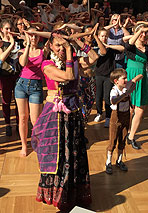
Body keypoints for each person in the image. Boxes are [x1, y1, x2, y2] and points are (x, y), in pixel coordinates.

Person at [31, 29, 98, 211]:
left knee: (74, 152)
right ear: (51, 46)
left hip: (73, 113)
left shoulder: (74, 60)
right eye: (58, 45)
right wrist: (69, 50)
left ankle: (73, 191)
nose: (61, 48)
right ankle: (56, 192)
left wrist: (78, 42)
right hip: (54, 115)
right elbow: (68, 76)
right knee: (55, 154)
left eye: (63, 45)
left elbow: (94, 58)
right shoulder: (47, 64)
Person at [15, 27, 48, 157]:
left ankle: (37, 143)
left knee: (35, 120)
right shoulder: (21, 51)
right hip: (21, 85)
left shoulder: (43, 51)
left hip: (36, 86)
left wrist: (37, 32)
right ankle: (24, 145)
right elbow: (23, 63)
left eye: (35, 36)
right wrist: (28, 43)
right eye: (31, 36)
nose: (33, 38)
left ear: (39, 37)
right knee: (23, 118)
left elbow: (51, 35)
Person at [105, 68, 143, 174]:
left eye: (126, 78)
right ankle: (108, 162)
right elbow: (113, 101)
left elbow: (140, 76)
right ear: (116, 81)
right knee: (112, 141)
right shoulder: (114, 90)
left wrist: (134, 81)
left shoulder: (127, 86)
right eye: (124, 78)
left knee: (122, 140)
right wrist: (127, 93)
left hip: (126, 117)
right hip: (115, 118)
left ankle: (119, 160)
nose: (126, 80)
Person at [124, 23, 148, 149]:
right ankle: (126, 132)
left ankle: (131, 136)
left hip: (142, 78)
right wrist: (140, 29)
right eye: (141, 33)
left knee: (140, 110)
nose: (143, 35)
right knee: (130, 109)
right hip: (130, 77)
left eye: (145, 33)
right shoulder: (130, 46)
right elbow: (130, 41)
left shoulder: (147, 48)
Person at [94, 29, 125, 128]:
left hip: (108, 75)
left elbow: (122, 48)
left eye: (106, 36)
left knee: (107, 97)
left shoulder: (111, 48)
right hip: (98, 74)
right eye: (102, 36)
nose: (104, 38)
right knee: (98, 96)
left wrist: (109, 46)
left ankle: (108, 116)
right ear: (98, 37)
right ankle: (99, 113)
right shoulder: (95, 48)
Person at [0, 19, 23, 136]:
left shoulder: (18, 40)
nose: (9, 31)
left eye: (11, 29)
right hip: (5, 76)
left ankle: (19, 124)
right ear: (1, 30)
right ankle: (8, 124)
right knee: (6, 101)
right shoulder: (0, 43)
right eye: (6, 29)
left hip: (18, 75)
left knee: (19, 100)